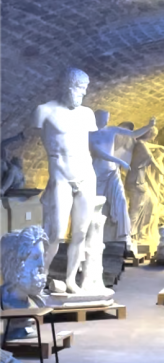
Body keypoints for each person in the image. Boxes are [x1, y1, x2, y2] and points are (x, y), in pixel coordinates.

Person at [32, 68, 97, 293]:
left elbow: (87, 146)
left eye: (85, 89)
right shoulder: (45, 111)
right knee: (56, 231)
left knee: (80, 232)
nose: (82, 94)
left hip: (86, 175)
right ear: (67, 86)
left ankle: (71, 280)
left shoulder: (87, 114)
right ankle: (40, 278)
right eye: (79, 88)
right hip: (61, 176)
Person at [89, 111, 156, 246]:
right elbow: (99, 153)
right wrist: (120, 161)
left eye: (107, 118)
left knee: (121, 201)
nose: (105, 121)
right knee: (98, 205)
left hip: (112, 172)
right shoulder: (90, 135)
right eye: (102, 118)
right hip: (98, 172)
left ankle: (122, 236)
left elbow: (133, 134)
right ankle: (95, 237)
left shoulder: (112, 130)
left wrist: (148, 126)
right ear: (96, 118)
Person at [125, 126, 164, 246]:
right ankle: (130, 234)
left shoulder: (140, 143)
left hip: (140, 180)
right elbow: (152, 160)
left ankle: (139, 232)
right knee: (136, 207)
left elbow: (147, 145)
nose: (153, 138)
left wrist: (159, 147)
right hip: (136, 180)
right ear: (150, 135)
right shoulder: (140, 146)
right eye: (153, 135)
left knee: (150, 203)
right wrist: (162, 171)